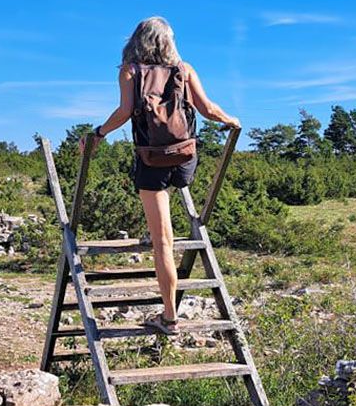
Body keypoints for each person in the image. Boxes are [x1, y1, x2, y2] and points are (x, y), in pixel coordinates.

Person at [81, 16, 240, 335]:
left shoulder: (131, 71)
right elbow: (207, 109)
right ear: (169, 41)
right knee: (173, 203)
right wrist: (231, 120)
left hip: (151, 161)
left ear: (137, 40)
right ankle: (168, 308)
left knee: (163, 242)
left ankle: (169, 318)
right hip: (184, 159)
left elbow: (124, 112)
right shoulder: (185, 69)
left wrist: (97, 134)